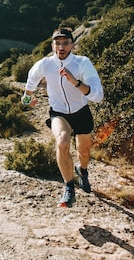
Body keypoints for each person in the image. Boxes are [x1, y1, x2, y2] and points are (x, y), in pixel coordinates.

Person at [22, 27, 104, 207]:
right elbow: (31, 79)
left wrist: (75, 82)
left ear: (72, 45)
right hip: (58, 113)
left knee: (83, 152)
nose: (61, 47)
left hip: (81, 112)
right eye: (57, 43)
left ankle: (82, 171)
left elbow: (98, 95)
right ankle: (69, 188)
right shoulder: (45, 64)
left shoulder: (82, 63)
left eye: (65, 43)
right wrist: (27, 99)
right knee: (62, 140)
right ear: (52, 46)